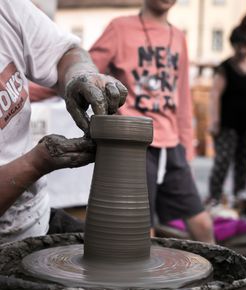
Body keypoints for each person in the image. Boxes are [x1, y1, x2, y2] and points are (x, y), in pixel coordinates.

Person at [0, 0, 127, 244]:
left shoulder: (7, 7)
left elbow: (65, 54)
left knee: (121, 255)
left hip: (36, 219)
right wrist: (37, 163)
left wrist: (80, 75)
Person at [89, 0, 214, 243]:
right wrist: (35, 89)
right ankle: (144, 281)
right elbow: (85, 74)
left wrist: (187, 146)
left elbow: (183, 96)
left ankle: (223, 278)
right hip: (134, 143)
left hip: (172, 145)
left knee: (202, 224)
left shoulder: (178, 37)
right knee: (141, 231)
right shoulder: (120, 28)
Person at [207, 26, 246, 208]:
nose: (242, 50)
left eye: (245, 45)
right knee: (222, 161)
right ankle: (214, 196)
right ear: (233, 45)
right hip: (227, 124)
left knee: (243, 162)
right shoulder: (225, 67)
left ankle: (238, 197)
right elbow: (214, 95)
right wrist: (214, 121)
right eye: (238, 45)